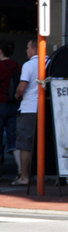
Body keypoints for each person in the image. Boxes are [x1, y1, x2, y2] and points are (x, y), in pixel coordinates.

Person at [12, 40, 44, 186]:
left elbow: (21, 88)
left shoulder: (29, 65)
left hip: (30, 108)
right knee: (48, 143)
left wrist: (17, 95)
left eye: (28, 48)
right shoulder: (51, 63)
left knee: (25, 144)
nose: (26, 51)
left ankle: (24, 176)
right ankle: (57, 177)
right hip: (47, 109)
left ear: (35, 49)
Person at [0, 39, 20, 183]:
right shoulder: (18, 66)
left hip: (0, 104)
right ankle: (20, 170)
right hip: (14, 105)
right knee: (13, 138)